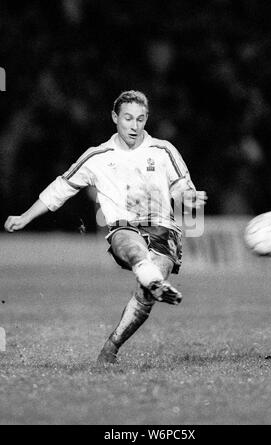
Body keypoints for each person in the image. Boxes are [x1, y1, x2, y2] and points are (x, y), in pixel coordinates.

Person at [4, 90, 207, 367]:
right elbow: (62, 187)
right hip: (124, 228)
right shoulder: (98, 157)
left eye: (140, 119)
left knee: (148, 292)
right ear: (115, 117)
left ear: (147, 119)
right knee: (128, 240)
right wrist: (26, 216)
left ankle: (110, 349)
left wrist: (191, 197)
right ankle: (148, 275)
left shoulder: (163, 151)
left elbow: (183, 188)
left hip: (163, 230)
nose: (134, 126)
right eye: (128, 118)